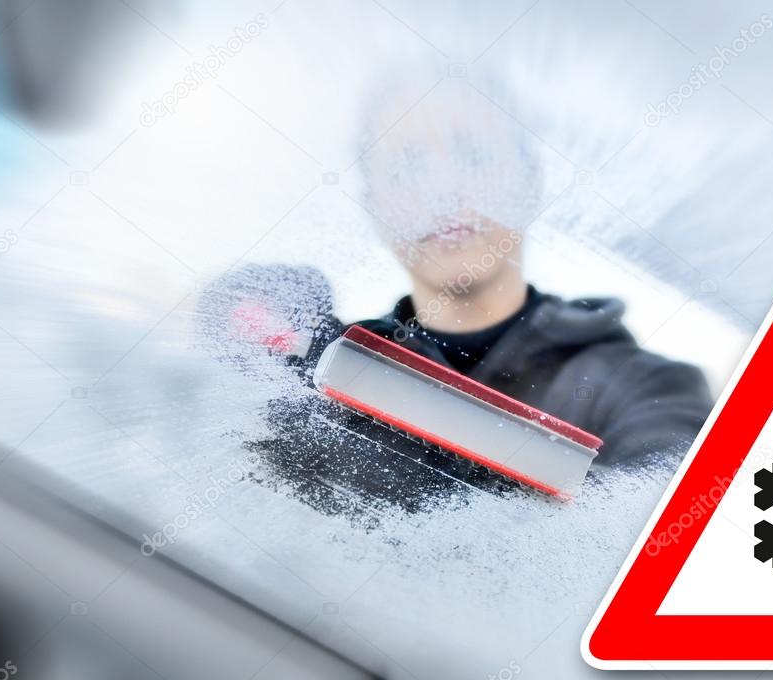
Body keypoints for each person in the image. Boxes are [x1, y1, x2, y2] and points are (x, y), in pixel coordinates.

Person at [199, 72, 712, 518]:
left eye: (473, 155)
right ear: (376, 204)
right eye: (408, 167)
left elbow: (645, 549)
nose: (443, 189)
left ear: (530, 181)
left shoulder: (650, 389)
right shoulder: (316, 372)